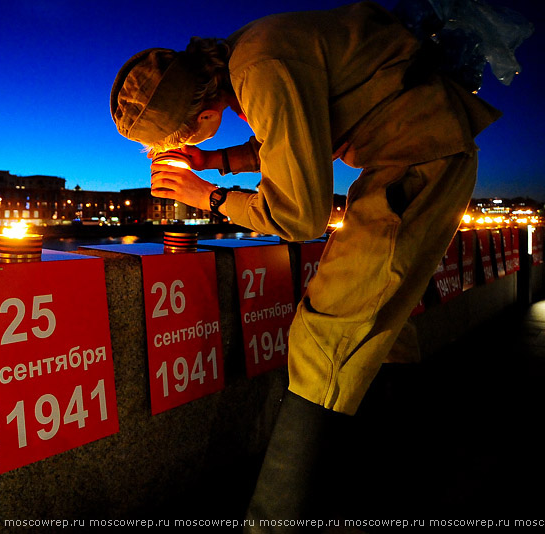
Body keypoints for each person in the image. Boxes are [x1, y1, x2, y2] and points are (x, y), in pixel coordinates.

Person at [110, 0, 503, 529]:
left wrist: (207, 194)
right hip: (415, 147)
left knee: (322, 334)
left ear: (203, 116)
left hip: (419, 157)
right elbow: (294, 129)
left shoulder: (259, 70)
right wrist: (216, 160)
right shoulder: (244, 52)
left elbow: (300, 216)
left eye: (181, 140)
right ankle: (394, 482)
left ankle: (274, 521)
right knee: (382, 327)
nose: (183, 147)